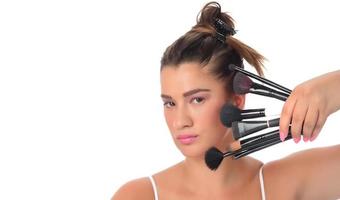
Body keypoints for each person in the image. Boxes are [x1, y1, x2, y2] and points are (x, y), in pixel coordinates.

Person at [112, 2, 340, 199]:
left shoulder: (282, 185)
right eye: (170, 103)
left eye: (197, 99)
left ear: (237, 100)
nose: (179, 121)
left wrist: (330, 90)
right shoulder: (139, 195)